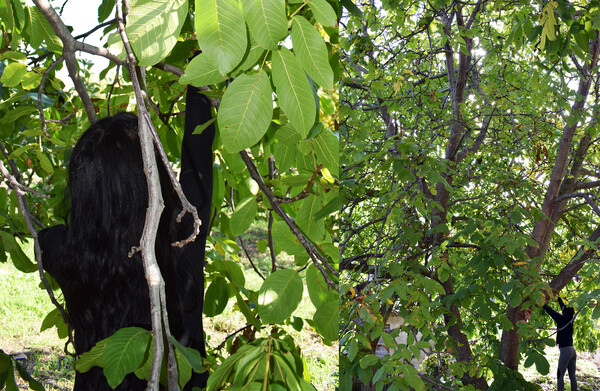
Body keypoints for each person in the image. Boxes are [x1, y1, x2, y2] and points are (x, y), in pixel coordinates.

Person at [38, 84, 214, 390]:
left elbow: (46, 238)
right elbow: (196, 159)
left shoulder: (59, 250)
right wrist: (200, 72)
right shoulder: (183, 235)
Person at [543, 297, 577, 391]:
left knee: (560, 375)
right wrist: (559, 299)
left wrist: (543, 304)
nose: (562, 310)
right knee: (572, 376)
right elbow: (564, 308)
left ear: (565, 312)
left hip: (565, 351)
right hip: (572, 351)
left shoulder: (561, 319)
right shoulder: (570, 320)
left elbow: (551, 312)